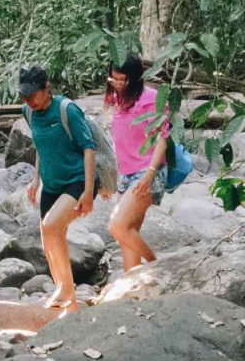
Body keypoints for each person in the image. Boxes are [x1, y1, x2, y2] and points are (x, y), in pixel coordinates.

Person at [20, 64, 98, 311]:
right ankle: (63, 292)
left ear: (46, 88)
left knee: (52, 225)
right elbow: (41, 148)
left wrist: (88, 191)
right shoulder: (28, 112)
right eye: (24, 95)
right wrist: (35, 181)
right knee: (48, 238)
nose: (28, 100)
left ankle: (66, 291)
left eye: (32, 94)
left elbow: (88, 148)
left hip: (77, 180)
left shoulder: (67, 110)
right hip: (51, 184)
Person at [103, 52, 167, 274]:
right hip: (125, 175)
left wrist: (150, 174)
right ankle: (134, 286)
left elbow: (162, 139)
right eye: (114, 79)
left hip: (147, 173)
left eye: (123, 80)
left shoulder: (151, 99)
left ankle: (156, 266)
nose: (118, 84)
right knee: (126, 235)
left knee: (117, 225)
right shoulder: (118, 99)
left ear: (136, 77)